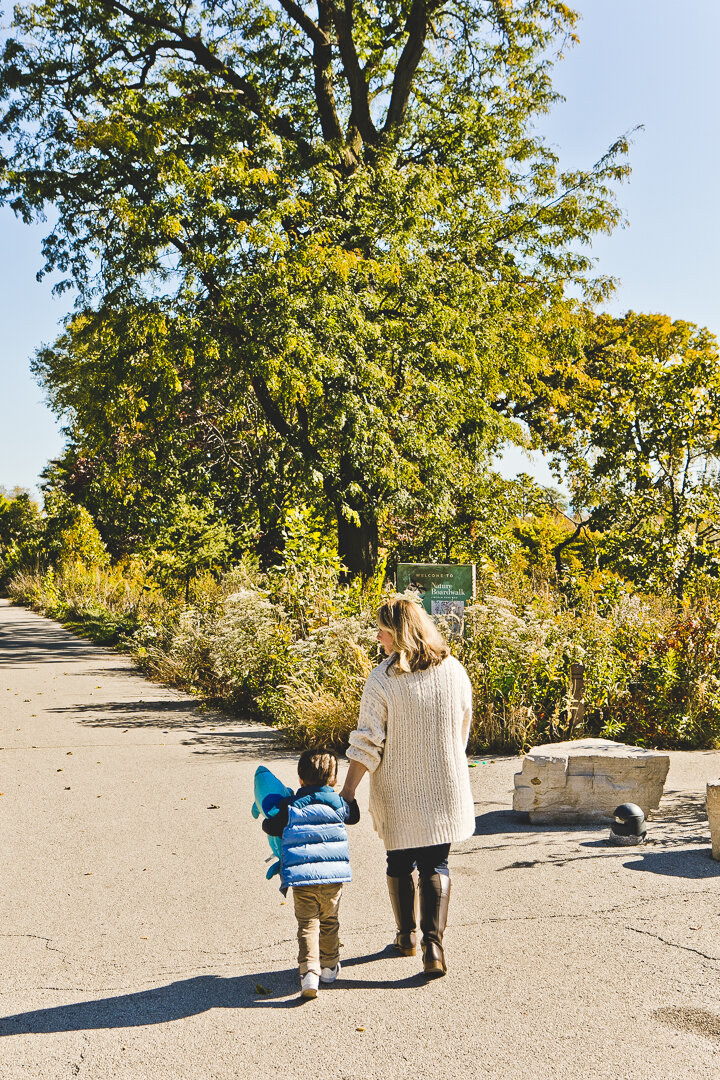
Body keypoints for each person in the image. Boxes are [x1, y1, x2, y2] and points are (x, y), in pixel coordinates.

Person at [339, 597, 475, 978]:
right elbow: (462, 726)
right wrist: (447, 761)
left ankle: (407, 937)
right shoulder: (454, 670)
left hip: (398, 788)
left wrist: (347, 792)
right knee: (436, 863)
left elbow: (367, 742)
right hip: (445, 784)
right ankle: (435, 947)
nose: (378, 637)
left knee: (400, 862)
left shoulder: (383, 678)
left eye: (383, 629)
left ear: (399, 633)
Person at [262, 749, 360, 999]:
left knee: (307, 925)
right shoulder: (339, 803)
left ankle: (309, 974)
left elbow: (270, 825)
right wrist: (350, 797)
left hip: (302, 881)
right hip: (332, 880)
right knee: (329, 922)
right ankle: (329, 967)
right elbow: (354, 817)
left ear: (300, 780)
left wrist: (268, 817)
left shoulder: (290, 805)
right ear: (334, 781)